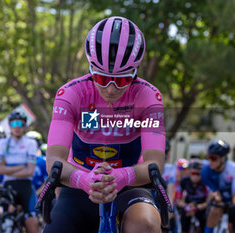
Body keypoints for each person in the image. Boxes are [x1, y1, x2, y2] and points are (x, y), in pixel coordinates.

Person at [44, 16, 165, 233]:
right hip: (80, 183)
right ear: (90, 67)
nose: (110, 89)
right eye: (101, 78)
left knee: (145, 225)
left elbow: (155, 162)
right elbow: (54, 158)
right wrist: (84, 180)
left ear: (135, 70)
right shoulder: (71, 93)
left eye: (121, 80)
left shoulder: (148, 96)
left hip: (130, 185)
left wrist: (123, 176)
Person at [0, 111, 39, 233]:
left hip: (25, 186)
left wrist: (7, 169)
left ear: (25, 126)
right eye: (14, 124)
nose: (17, 127)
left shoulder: (31, 143)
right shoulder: (3, 143)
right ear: (10, 126)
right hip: (8, 185)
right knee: (4, 216)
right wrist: (21, 167)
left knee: (32, 222)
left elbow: (30, 172)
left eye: (20, 123)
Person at [201, 140, 235, 233]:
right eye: (208, 157)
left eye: (213, 158)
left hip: (232, 201)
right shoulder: (205, 171)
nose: (210, 161)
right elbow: (215, 194)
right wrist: (218, 200)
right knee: (215, 209)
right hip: (218, 201)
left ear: (223, 158)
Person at [176, 159, 207, 233]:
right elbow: (178, 200)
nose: (196, 176)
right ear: (189, 172)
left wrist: (197, 208)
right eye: (193, 173)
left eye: (198, 174)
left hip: (201, 207)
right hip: (187, 206)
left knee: (204, 220)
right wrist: (186, 207)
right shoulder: (184, 181)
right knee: (183, 219)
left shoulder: (205, 181)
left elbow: (209, 201)